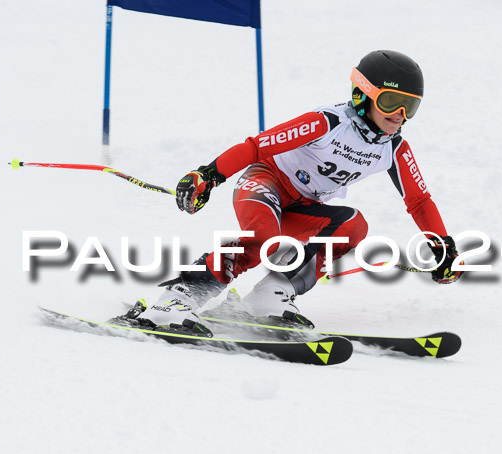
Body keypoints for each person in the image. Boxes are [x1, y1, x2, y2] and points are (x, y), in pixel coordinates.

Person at [124, 50, 463, 336]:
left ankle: (270, 296)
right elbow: (257, 146)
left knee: (353, 225)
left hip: (304, 206)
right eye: (391, 102)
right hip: (265, 182)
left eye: (410, 107)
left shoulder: (395, 149)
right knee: (262, 239)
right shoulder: (326, 122)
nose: (400, 116)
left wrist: (443, 246)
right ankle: (178, 300)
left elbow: (419, 201)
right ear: (363, 94)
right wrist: (209, 174)